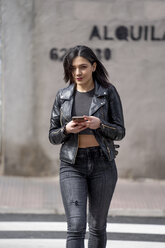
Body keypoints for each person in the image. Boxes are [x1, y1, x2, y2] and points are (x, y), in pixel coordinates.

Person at [49, 45, 125, 248]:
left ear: (93, 66)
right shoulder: (62, 96)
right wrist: (66, 129)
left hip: (103, 165)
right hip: (72, 165)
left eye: (82, 67)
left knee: (98, 225)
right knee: (75, 226)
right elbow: (53, 136)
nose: (77, 73)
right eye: (73, 68)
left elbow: (120, 131)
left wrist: (100, 125)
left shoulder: (108, 93)